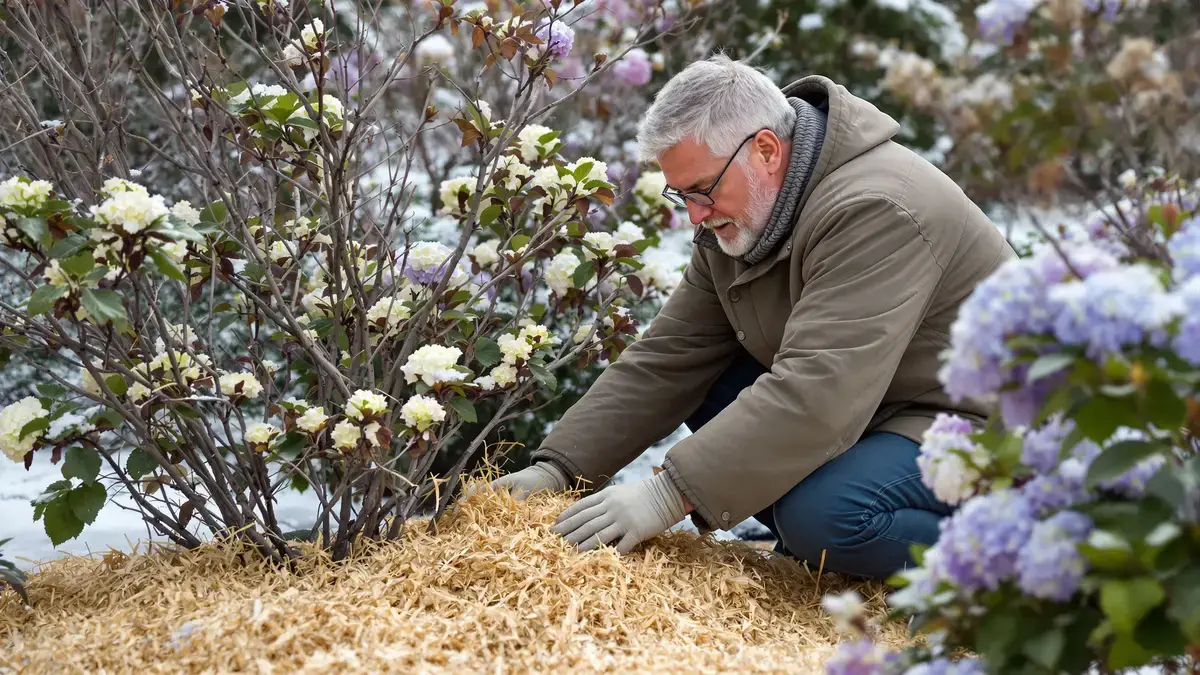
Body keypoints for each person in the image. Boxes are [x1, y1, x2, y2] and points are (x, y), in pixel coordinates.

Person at [469, 54, 1015, 580]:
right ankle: (843, 549)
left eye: (703, 190)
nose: (694, 216)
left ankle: (1017, 565)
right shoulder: (746, 215)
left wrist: (667, 494)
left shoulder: (875, 208)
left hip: (982, 423)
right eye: (681, 194)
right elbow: (671, 357)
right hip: (878, 406)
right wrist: (559, 469)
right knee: (706, 381)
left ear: (767, 150)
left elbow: (819, 391)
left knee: (824, 519)